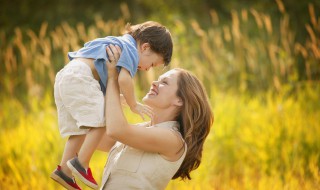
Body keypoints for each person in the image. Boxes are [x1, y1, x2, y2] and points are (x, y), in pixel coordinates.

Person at [50, 21, 173, 190]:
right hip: (80, 77)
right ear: (145, 48)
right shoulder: (130, 50)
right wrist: (133, 104)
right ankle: (81, 164)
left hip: (67, 76)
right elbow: (123, 79)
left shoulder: (117, 41)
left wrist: (119, 97)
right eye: (151, 64)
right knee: (103, 119)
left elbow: (99, 71)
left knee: (79, 130)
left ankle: (64, 171)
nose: (146, 69)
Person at [96, 45, 214, 189]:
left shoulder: (174, 140)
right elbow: (94, 137)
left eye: (164, 82)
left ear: (180, 100)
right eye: (158, 79)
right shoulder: (139, 130)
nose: (154, 83)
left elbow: (117, 130)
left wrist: (113, 78)